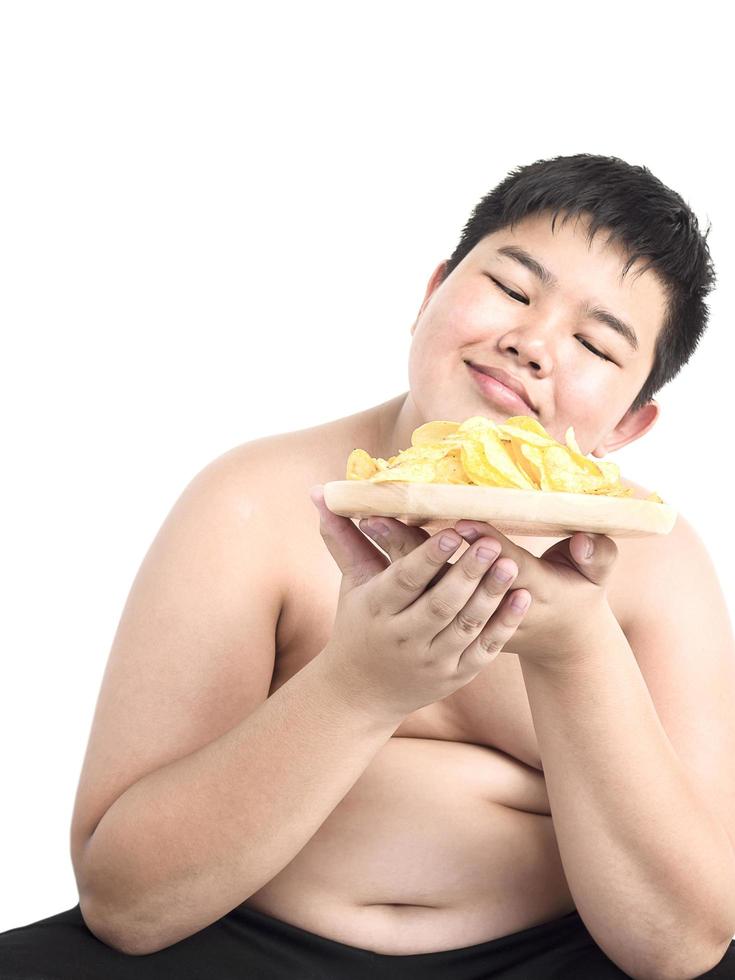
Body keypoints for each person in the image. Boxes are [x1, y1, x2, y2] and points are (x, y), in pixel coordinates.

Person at [2, 153, 734, 979]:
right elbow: (124, 904)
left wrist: (575, 649)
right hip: (231, 942)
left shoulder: (656, 563)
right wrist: (360, 684)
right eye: (513, 291)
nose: (531, 343)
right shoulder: (251, 500)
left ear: (627, 426)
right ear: (430, 294)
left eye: (595, 344)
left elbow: (681, 944)